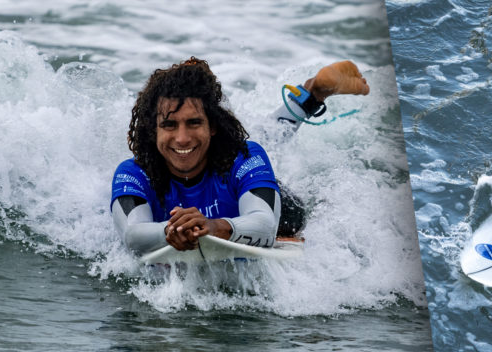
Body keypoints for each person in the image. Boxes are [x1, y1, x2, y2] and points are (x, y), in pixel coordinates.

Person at [111, 57, 369, 253]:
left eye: (194, 123)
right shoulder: (134, 173)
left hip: (245, 196)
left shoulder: (243, 157)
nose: (181, 138)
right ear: (152, 130)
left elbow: (266, 226)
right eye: (169, 125)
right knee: (263, 141)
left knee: (291, 212)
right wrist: (172, 230)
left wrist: (212, 227)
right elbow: (132, 235)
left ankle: (314, 92)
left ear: (212, 126)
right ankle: (309, 95)